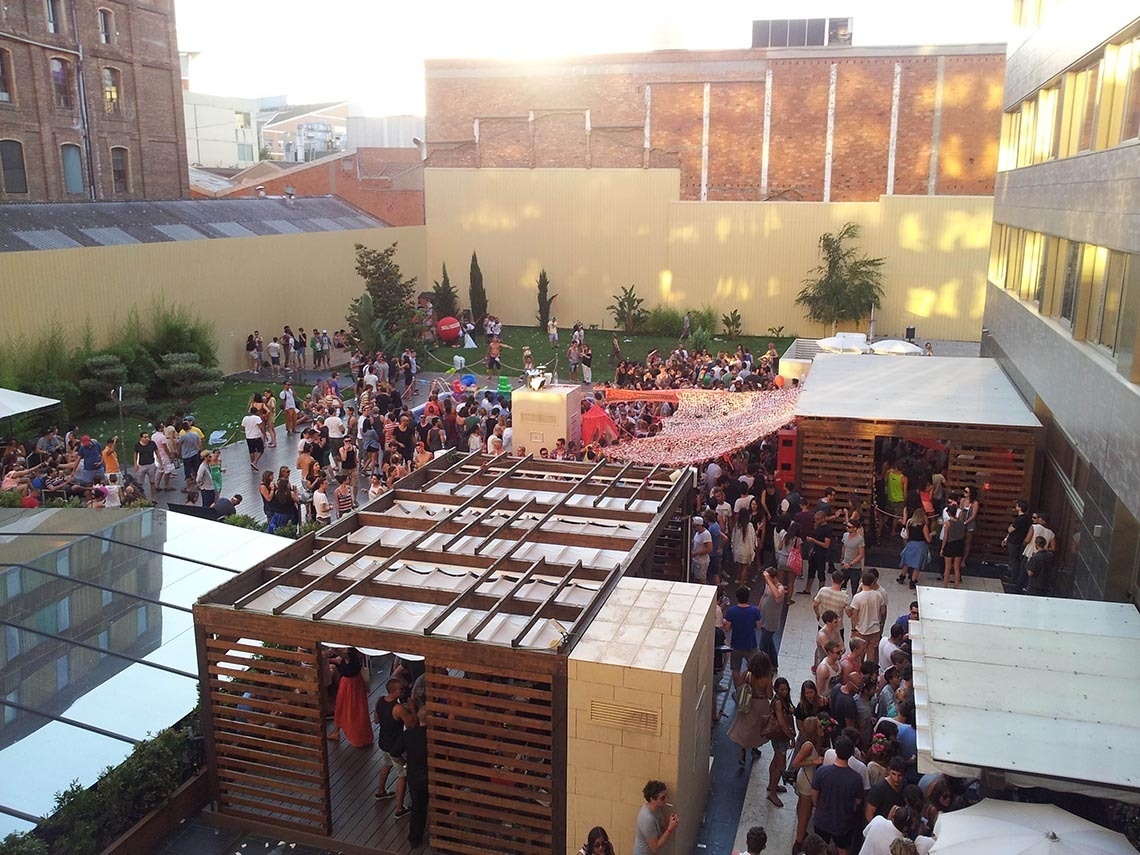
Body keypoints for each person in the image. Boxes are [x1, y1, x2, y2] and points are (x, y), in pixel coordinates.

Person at [811, 735, 864, 855]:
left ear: (836, 751)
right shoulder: (856, 778)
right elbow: (857, 801)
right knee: (843, 848)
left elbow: (814, 793)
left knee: (819, 848)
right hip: (843, 822)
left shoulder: (822, 771)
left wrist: (816, 805)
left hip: (822, 819)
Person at [393, 699, 429, 847]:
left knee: (417, 808)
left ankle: (415, 839)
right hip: (434, 777)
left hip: (415, 776)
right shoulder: (436, 736)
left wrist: (404, 763)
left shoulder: (409, 734)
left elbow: (394, 752)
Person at [728, 652, 774, 766]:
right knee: (758, 728)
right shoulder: (766, 678)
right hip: (762, 704)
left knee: (746, 726)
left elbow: (739, 685)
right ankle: (754, 748)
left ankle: (743, 750)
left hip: (748, 703)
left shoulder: (747, 674)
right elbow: (770, 695)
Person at [375, 677, 416, 806]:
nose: (403, 691)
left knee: (387, 764)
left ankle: (380, 790)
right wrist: (412, 708)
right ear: (393, 691)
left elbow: (376, 719)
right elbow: (412, 725)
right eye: (400, 689)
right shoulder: (398, 708)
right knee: (402, 775)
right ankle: (399, 808)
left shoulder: (379, 701)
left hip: (384, 741)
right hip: (395, 746)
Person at [791, 715, 825, 854]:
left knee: (802, 809)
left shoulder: (812, 743)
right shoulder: (808, 745)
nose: (822, 727)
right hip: (807, 782)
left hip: (806, 778)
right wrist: (814, 762)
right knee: (805, 814)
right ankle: (799, 843)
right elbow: (795, 763)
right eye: (819, 726)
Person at [326, 647, 372, 747]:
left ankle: (355, 737)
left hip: (349, 685)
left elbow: (339, 654)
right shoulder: (357, 655)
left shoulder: (349, 656)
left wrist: (332, 647)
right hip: (355, 683)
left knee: (347, 709)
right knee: (357, 710)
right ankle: (338, 732)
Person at [723, 586, 762, 683]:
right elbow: (758, 627)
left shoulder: (732, 611)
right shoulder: (754, 611)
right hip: (751, 644)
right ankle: (750, 687)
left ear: (737, 597)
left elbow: (727, 629)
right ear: (748, 597)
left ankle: (738, 690)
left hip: (736, 645)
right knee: (753, 668)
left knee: (736, 669)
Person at [767, 677, 796, 807]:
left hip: (780, 737)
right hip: (780, 737)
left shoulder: (782, 701)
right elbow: (782, 722)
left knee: (775, 761)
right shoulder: (779, 702)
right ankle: (772, 793)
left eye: (786, 689)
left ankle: (771, 785)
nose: (785, 691)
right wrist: (791, 736)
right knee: (780, 765)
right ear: (777, 690)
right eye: (782, 689)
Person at [633, 780, 678, 855]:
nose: (666, 800)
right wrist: (670, 829)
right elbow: (655, 848)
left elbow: (662, 829)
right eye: (662, 798)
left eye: (666, 796)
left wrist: (671, 823)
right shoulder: (647, 819)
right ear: (652, 799)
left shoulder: (658, 808)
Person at [758, 567, 785, 670]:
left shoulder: (780, 588)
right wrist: (758, 610)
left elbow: (778, 596)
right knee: (770, 644)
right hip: (764, 619)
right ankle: (774, 664)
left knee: (763, 646)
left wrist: (769, 581)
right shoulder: (767, 585)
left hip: (772, 622)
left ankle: (766, 666)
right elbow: (764, 596)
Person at [897, 509, 931, 589]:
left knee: (907, 562)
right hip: (920, 546)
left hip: (910, 544)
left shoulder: (909, 522)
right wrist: (931, 535)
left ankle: (902, 577)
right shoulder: (924, 526)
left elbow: (908, 535)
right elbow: (928, 539)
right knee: (917, 565)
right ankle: (912, 581)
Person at [133, 431, 159, 501]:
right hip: (141, 465)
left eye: (147, 437)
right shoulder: (137, 445)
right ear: (141, 438)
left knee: (152, 482)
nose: (147, 438)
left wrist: (160, 462)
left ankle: (153, 497)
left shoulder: (152, 443)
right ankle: (141, 497)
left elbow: (157, 452)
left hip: (151, 464)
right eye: (145, 437)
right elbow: (135, 455)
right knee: (140, 483)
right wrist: (135, 464)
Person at [691, 515, 713, 584]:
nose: (693, 528)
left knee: (701, 580)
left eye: (694, 526)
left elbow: (709, 549)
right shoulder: (697, 533)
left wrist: (695, 553)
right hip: (696, 560)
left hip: (701, 562)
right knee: (695, 578)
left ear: (700, 525)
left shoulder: (706, 534)